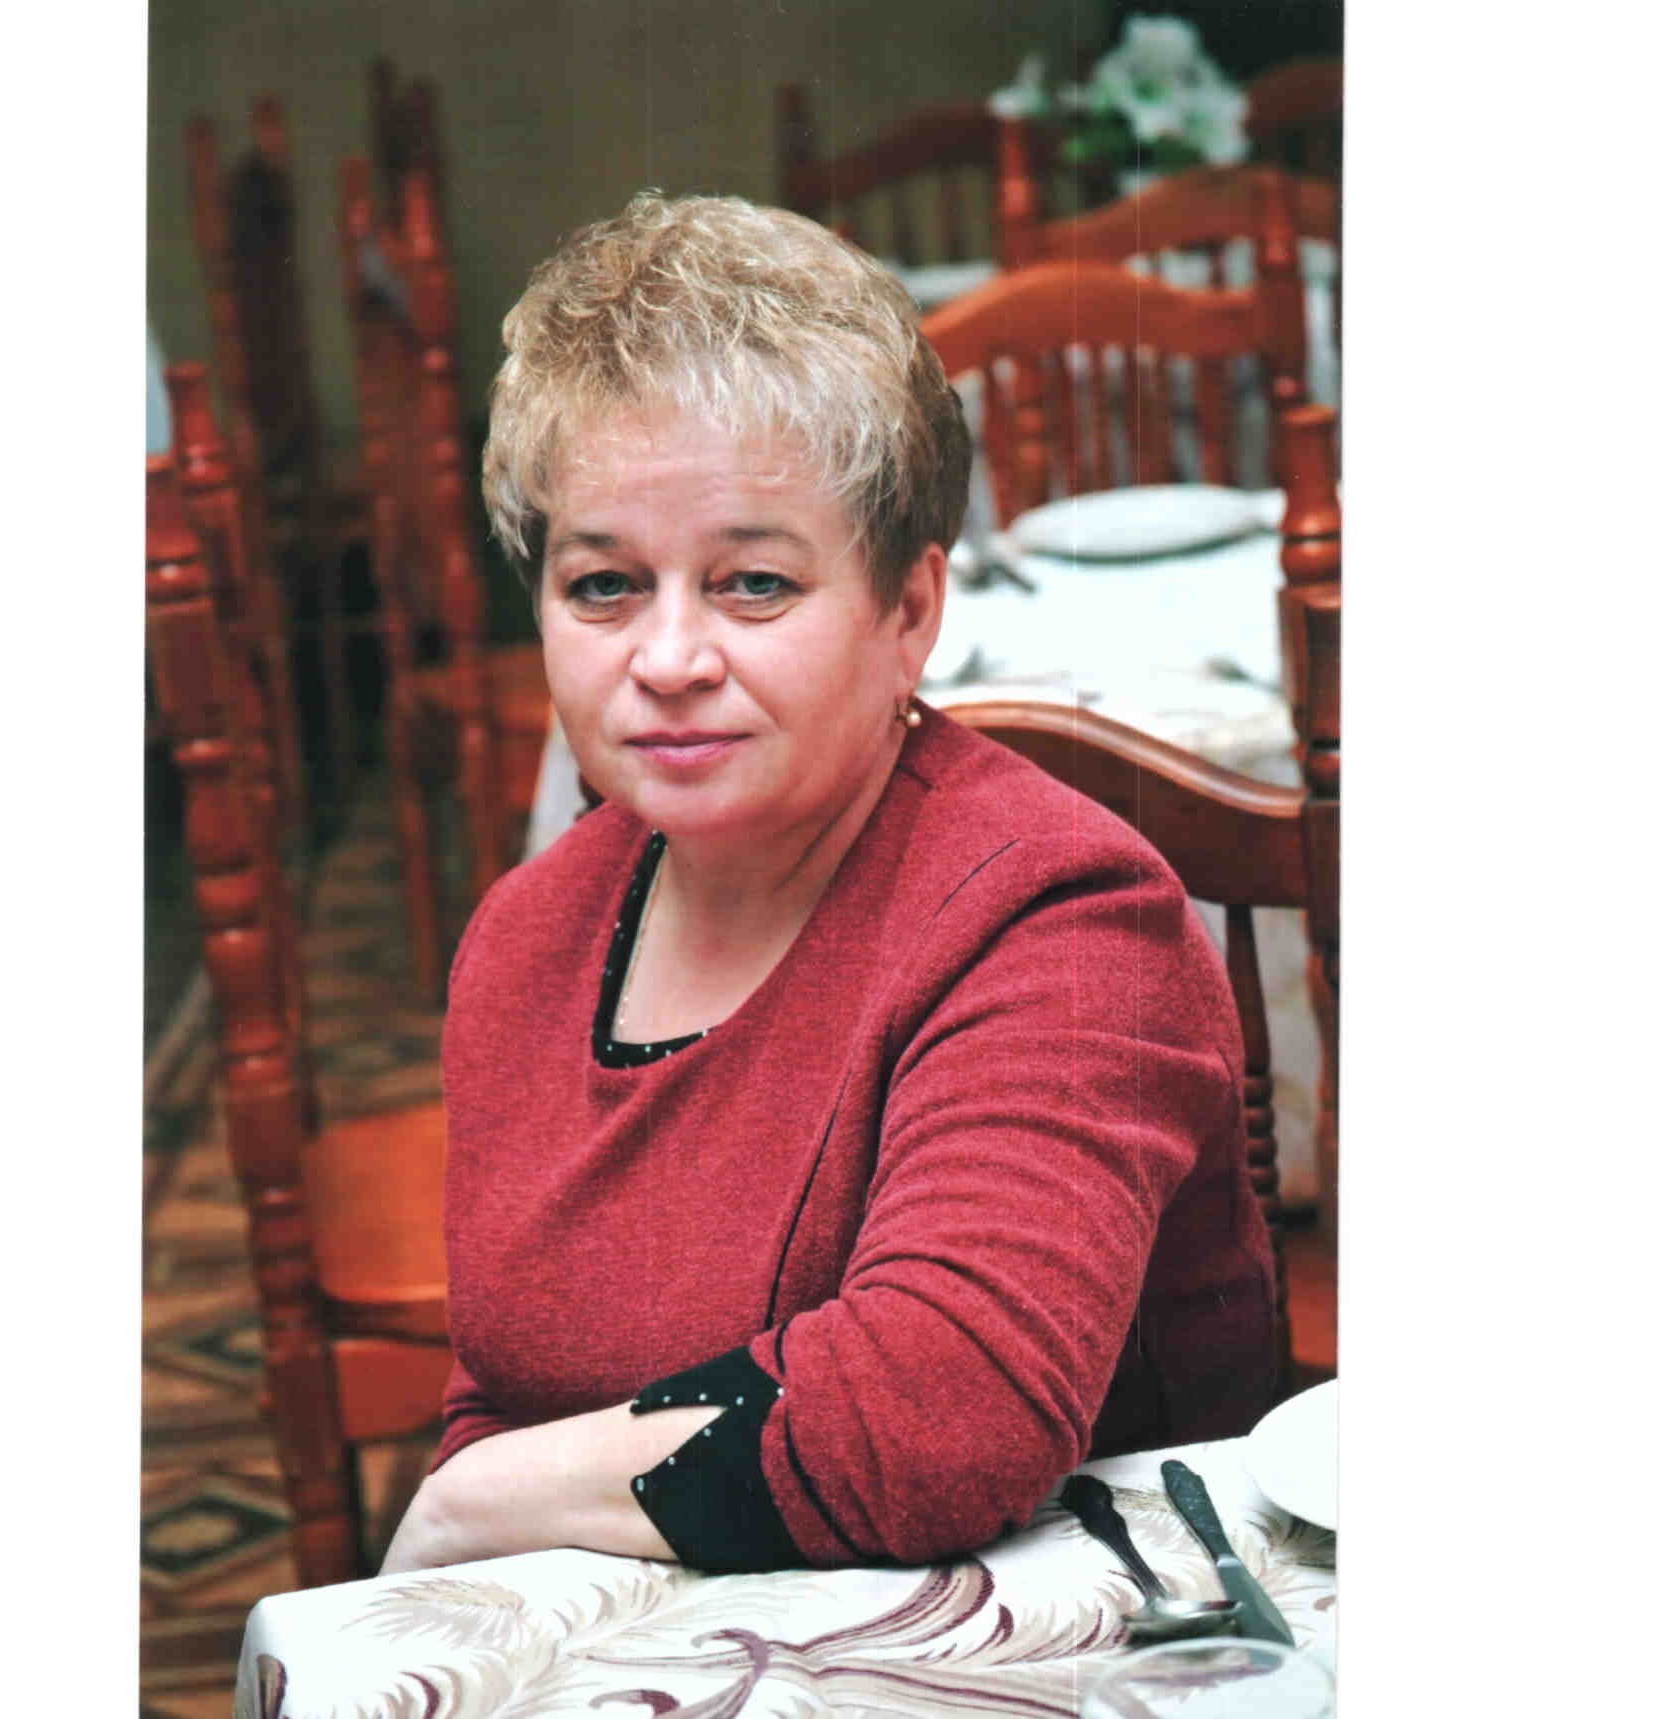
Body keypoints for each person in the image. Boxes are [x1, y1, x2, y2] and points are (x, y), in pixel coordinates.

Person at [377, 192, 1279, 1577]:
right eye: (604, 586)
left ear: (908, 612)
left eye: (752, 583)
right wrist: (494, 1493)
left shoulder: (1064, 913)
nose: (667, 659)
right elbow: (506, 1378)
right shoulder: (527, 937)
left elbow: (943, 1414)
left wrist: (471, 1500)